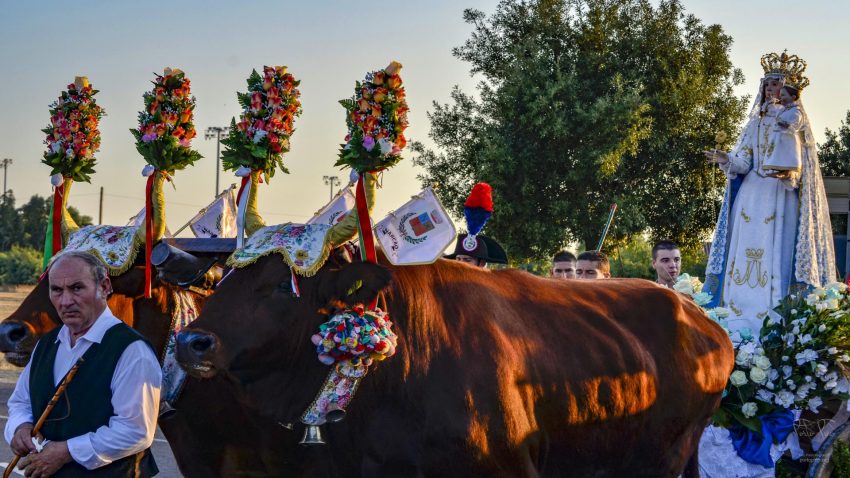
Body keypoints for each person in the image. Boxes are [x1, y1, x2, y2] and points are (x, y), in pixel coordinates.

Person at [704, 50, 834, 336]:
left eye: (775, 84)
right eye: (766, 85)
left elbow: (804, 168)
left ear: (787, 89)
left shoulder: (795, 121)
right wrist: (726, 159)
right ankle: (736, 322)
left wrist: (791, 175)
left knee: (778, 252)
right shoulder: (754, 123)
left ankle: (775, 322)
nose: (770, 89)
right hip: (751, 196)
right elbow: (744, 160)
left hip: (780, 194)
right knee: (742, 256)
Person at [5, 251, 161, 477]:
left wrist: (66, 452)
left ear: (105, 287)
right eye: (57, 290)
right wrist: (19, 427)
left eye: (77, 288)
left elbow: (135, 431)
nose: (66, 301)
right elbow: (21, 401)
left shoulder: (131, 349)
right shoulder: (47, 344)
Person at [763, 85, 804, 175]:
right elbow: (773, 112)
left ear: (793, 97)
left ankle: (786, 171)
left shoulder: (795, 111)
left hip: (787, 138)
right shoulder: (782, 109)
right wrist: (769, 102)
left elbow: (796, 124)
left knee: (785, 155)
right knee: (778, 155)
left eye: (784, 95)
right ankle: (778, 170)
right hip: (778, 137)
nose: (781, 97)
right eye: (780, 95)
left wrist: (787, 125)